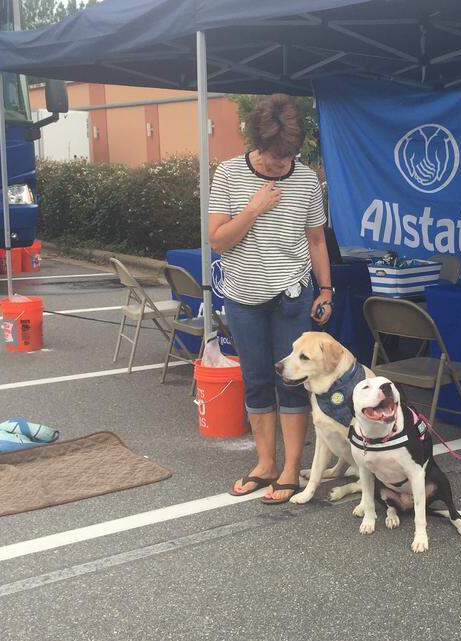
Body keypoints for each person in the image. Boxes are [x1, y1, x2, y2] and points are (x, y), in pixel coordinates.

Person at [207, 94, 333, 504]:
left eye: (288, 158)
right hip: (243, 295)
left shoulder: (307, 180)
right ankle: (265, 464)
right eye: (273, 157)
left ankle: (291, 469)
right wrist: (253, 208)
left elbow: (316, 239)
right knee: (257, 379)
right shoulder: (227, 175)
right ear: (256, 143)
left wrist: (326, 289)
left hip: (293, 295)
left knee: (294, 382)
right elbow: (218, 241)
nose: (281, 165)